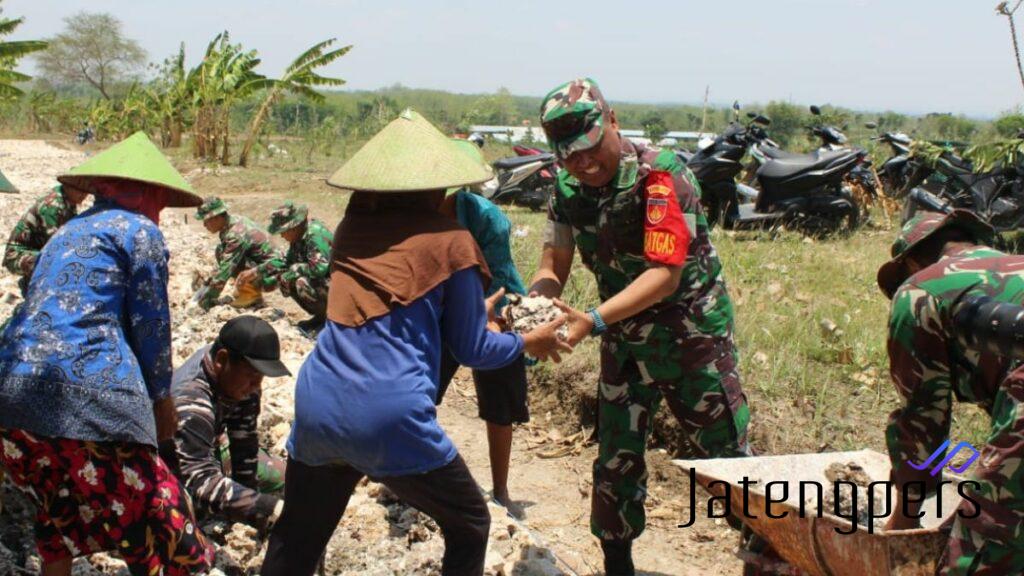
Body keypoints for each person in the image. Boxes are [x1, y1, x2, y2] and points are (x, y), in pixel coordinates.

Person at [260, 109, 571, 576]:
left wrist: (461, 317)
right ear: (435, 186)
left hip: (319, 402)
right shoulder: (453, 241)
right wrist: (527, 340)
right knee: (468, 522)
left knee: (297, 537)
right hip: (388, 415)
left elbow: (392, 317)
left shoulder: (349, 232)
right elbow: (473, 351)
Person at [529, 78, 751, 575]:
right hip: (623, 338)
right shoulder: (565, 186)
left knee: (731, 462)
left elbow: (665, 275)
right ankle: (617, 565)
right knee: (616, 458)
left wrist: (593, 319)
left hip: (690, 337)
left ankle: (775, 553)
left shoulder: (660, 175)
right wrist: (534, 309)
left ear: (612, 121)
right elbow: (553, 262)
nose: (583, 164)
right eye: (569, 156)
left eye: (589, 150)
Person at [0, 131, 213, 576]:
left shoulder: (66, 230)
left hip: (10, 393)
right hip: (90, 395)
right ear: (151, 192)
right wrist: (161, 400)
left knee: (57, 502)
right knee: (157, 512)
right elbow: (152, 323)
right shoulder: (140, 231)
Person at [878, 209, 1024, 575]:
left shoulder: (919, 290)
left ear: (912, 260)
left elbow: (923, 422)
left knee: (984, 545)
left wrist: (903, 525)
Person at [435, 138, 531, 516]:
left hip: (491, 300)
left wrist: (491, 320)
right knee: (420, 390)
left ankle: (501, 490)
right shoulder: (411, 217)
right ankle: (405, 468)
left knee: (500, 393)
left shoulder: (485, 218)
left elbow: (501, 276)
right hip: (437, 308)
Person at [159, 316, 291, 532]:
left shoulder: (234, 376)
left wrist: (249, 502)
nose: (256, 386)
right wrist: (267, 510)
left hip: (210, 448)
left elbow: (245, 441)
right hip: (170, 466)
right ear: (221, 359)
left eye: (261, 378)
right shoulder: (191, 402)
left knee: (283, 475)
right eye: (252, 376)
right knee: (182, 519)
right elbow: (200, 479)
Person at [247, 201, 331, 337]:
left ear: (293, 227)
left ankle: (329, 321)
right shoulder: (298, 237)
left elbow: (319, 268)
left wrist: (292, 271)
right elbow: (286, 262)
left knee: (301, 283)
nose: (282, 236)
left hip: (339, 286)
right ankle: (320, 317)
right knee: (285, 277)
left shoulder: (314, 234)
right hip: (325, 283)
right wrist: (258, 273)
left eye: (283, 232)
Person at [194, 196, 282, 310]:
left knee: (231, 259)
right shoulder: (232, 222)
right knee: (221, 250)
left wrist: (207, 300)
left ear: (217, 217)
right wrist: (208, 284)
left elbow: (225, 269)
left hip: (272, 276)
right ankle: (247, 291)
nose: (204, 225)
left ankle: (251, 295)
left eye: (206, 220)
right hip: (266, 269)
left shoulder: (235, 234)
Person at [2, 183, 89, 295]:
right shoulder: (53, 206)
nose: (84, 195)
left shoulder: (68, 201)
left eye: (86, 191)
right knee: (56, 264)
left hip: (37, 251)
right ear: (68, 187)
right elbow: (57, 244)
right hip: (17, 255)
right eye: (80, 190)